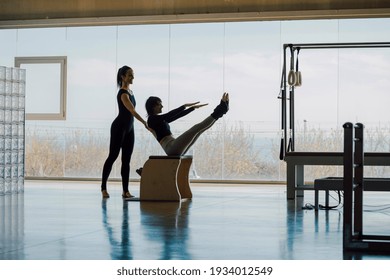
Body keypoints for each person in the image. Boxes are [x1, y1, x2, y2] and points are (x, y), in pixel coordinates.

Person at [101, 66, 149, 199]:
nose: (132, 78)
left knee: (126, 160)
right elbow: (132, 111)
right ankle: (103, 188)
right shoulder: (123, 93)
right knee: (113, 156)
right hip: (119, 128)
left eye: (133, 75)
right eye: (129, 75)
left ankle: (125, 191)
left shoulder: (131, 92)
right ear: (122, 76)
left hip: (129, 129)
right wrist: (145, 122)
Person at [145, 92, 229, 157]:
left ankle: (221, 111)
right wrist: (184, 106)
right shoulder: (151, 119)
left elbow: (177, 116)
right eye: (159, 104)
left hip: (173, 146)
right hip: (170, 148)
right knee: (196, 128)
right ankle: (220, 110)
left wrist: (192, 108)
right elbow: (169, 115)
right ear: (153, 106)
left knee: (199, 131)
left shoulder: (159, 120)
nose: (162, 106)